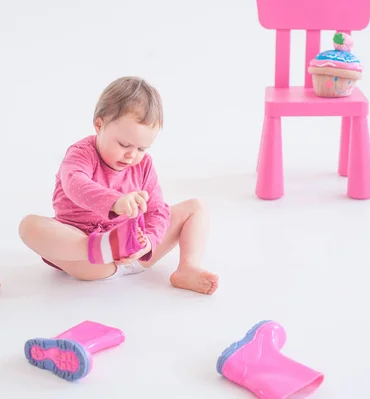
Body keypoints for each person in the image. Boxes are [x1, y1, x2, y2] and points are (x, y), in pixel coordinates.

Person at [18, 76, 219, 295]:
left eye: (142, 148)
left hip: (138, 254)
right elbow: (74, 183)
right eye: (124, 144)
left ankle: (187, 267)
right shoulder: (82, 154)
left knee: (195, 208)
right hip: (90, 259)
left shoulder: (144, 166)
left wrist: (148, 243)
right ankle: (103, 246)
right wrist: (115, 202)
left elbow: (157, 211)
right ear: (99, 125)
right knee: (29, 226)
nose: (132, 155)